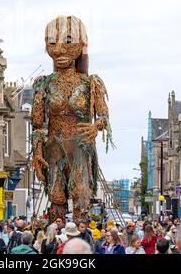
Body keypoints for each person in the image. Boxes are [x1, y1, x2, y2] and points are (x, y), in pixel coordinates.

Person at [31, 16, 113, 221]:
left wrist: (97, 126)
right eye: (51, 42)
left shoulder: (89, 83)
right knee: (56, 196)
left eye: (67, 42)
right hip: (54, 149)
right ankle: (56, 238)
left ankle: (80, 239)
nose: (58, 49)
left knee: (80, 193)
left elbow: (103, 115)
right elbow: (37, 123)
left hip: (80, 148)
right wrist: (37, 150)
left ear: (81, 44)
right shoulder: (43, 84)